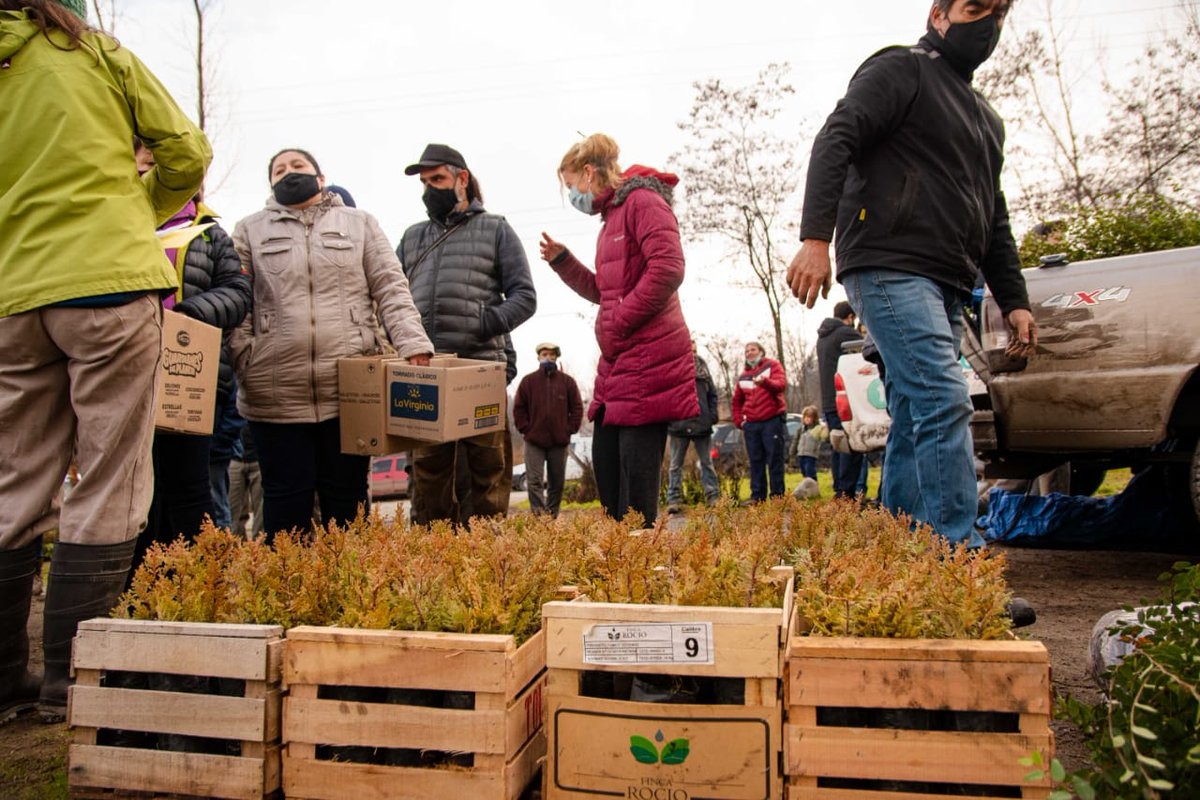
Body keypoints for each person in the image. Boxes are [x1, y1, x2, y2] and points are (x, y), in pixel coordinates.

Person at [0, 0, 211, 723]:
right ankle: (70, 677)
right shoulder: (93, 51)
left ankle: (4, 681)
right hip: (107, 283)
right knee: (112, 473)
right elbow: (187, 152)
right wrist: (134, 207)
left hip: (11, 292)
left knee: (14, 483)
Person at [787, 0, 1037, 547]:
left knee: (913, 406)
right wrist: (814, 238)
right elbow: (838, 137)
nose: (987, 25)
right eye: (975, 8)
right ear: (940, 14)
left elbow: (993, 216)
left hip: (948, 280)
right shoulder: (902, 69)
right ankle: (958, 555)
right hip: (888, 263)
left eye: (998, 14)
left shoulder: (985, 118)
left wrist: (1014, 298)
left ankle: (896, 544)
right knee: (943, 397)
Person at [230, 148, 433, 539]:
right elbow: (238, 301)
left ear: (321, 178)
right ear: (270, 183)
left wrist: (413, 344)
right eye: (280, 169)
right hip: (275, 395)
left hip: (348, 391)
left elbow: (391, 287)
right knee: (285, 510)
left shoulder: (360, 224)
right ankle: (290, 597)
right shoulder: (249, 230)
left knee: (347, 506)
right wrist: (245, 357)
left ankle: (352, 597)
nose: (289, 173)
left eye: (298, 166)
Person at [540, 134, 697, 524]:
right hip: (621, 364)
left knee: (635, 496)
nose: (575, 195)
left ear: (590, 173)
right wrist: (565, 262)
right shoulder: (612, 217)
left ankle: (642, 573)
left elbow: (668, 268)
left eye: (573, 184)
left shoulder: (642, 202)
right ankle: (623, 570)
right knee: (610, 477)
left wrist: (620, 320)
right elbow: (608, 291)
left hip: (648, 361)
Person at [127, 139, 251, 574]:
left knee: (188, 492)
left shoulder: (210, 235)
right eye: (146, 167)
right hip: (124, 378)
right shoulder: (115, 231)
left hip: (190, 380)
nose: (157, 176)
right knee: (131, 495)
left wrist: (187, 314)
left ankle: (197, 589)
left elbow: (238, 295)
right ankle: (136, 592)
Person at [396, 144, 536, 526]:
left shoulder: (496, 229)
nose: (430, 189)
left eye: (437, 179)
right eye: (424, 182)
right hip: (424, 374)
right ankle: (436, 571)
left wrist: (483, 322)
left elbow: (525, 297)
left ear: (462, 179)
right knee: (428, 483)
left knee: (486, 480)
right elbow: (390, 297)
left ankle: (487, 569)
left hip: (479, 371)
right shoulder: (411, 239)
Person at [512, 342, 583, 517]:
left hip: (559, 442)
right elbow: (519, 408)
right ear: (538, 357)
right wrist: (526, 429)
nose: (548, 357)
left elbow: (577, 408)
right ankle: (539, 517)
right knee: (534, 480)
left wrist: (569, 429)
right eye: (545, 354)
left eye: (552, 355)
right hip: (534, 441)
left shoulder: (567, 382)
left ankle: (551, 517)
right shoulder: (528, 382)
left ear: (557, 357)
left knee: (556, 483)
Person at [816, 301, 864, 498]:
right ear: (851, 317)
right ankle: (847, 493)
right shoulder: (846, 333)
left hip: (828, 400)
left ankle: (839, 490)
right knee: (850, 447)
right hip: (846, 398)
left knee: (837, 445)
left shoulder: (822, 338)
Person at [666, 341, 720, 513]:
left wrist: (712, 415)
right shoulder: (673, 371)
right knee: (675, 465)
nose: (692, 353)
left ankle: (713, 496)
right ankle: (673, 500)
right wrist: (670, 418)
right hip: (679, 424)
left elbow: (712, 395)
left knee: (707, 462)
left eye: (695, 350)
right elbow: (667, 397)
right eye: (689, 349)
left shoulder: (704, 371)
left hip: (701, 423)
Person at [731, 342, 788, 503]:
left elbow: (781, 385)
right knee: (755, 461)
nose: (749, 353)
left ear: (761, 352)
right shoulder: (743, 377)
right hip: (752, 424)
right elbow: (736, 402)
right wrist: (739, 421)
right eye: (747, 351)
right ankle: (757, 496)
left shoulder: (772, 366)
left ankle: (778, 496)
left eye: (753, 349)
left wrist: (766, 382)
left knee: (774, 459)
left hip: (772, 419)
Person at [228, 423, 263, 539]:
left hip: (258, 458)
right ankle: (234, 548)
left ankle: (259, 550)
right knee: (232, 512)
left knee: (261, 513)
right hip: (234, 458)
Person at [793, 405, 825, 481]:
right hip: (801, 453)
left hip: (811, 454)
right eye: (805, 417)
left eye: (809, 417)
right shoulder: (801, 429)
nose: (807, 419)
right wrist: (792, 452)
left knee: (809, 471)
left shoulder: (817, 429)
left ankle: (813, 483)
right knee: (804, 471)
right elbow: (795, 440)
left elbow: (823, 437)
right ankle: (807, 485)